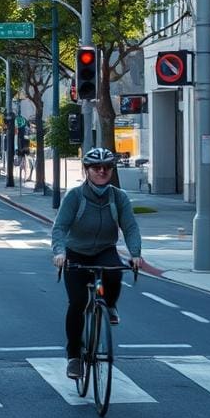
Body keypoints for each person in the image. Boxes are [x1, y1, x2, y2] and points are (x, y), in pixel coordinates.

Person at [51, 147, 142, 381]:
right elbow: (60, 228)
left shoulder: (118, 197)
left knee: (114, 271)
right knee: (78, 303)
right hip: (76, 252)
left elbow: (130, 227)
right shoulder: (75, 196)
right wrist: (60, 252)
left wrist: (135, 254)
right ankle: (74, 357)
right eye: (96, 167)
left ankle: (110, 304)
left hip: (104, 249)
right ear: (87, 170)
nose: (102, 171)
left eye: (107, 167)